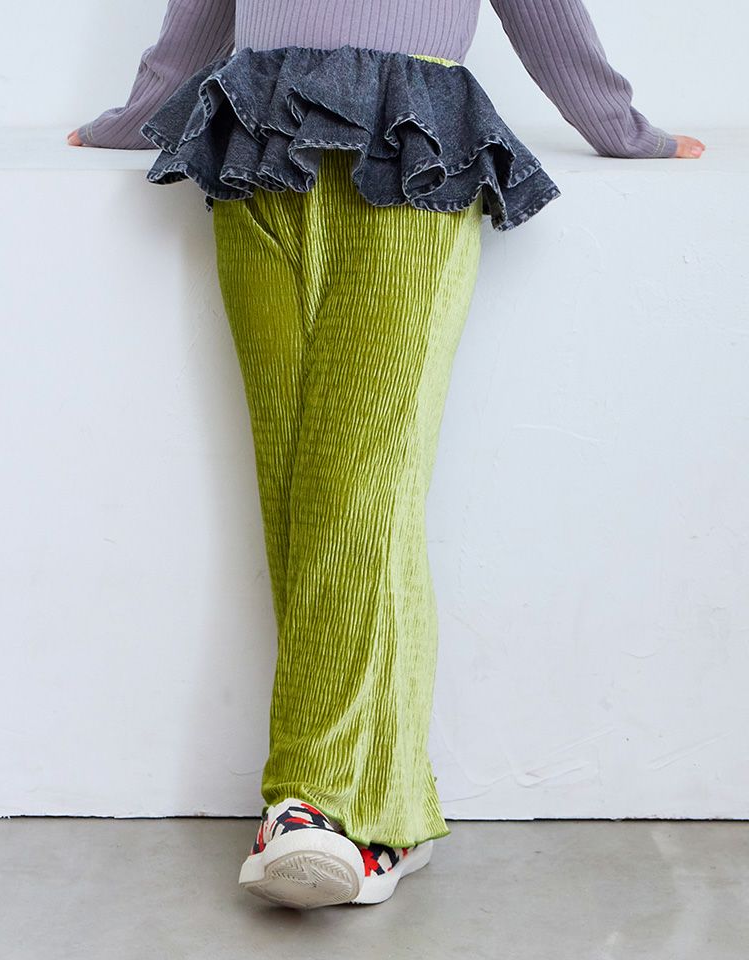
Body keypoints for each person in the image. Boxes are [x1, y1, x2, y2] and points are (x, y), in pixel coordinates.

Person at [68, 0, 704, 911]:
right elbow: (202, 10)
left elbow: (544, 11)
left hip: (409, 145)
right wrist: (134, 118)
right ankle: (390, 820)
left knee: (357, 486)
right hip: (260, 131)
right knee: (298, 487)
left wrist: (624, 130)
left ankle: (308, 801)